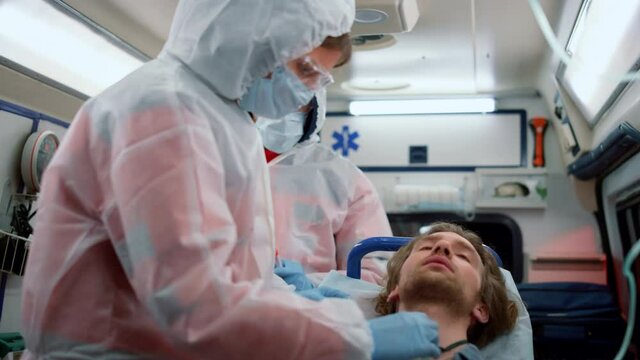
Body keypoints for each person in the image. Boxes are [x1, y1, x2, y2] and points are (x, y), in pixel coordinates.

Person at [20, 0, 442, 359]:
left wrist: (283, 293)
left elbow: (231, 279)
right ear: (251, 33)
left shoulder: (224, 119)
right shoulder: (163, 113)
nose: (307, 90)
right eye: (305, 68)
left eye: (319, 80)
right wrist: (354, 335)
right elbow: (196, 307)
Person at [258, 88, 392, 285]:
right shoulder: (217, 160)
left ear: (315, 105)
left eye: (297, 99)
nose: (282, 108)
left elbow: (375, 273)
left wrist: (308, 285)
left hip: (311, 308)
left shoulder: (344, 179)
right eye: (270, 95)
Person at [375, 222, 519, 360]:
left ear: (481, 308)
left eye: (463, 256)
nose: (442, 246)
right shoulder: (360, 345)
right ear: (395, 288)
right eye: (425, 247)